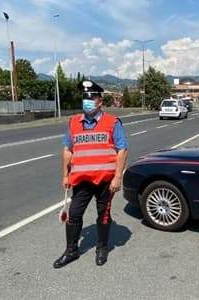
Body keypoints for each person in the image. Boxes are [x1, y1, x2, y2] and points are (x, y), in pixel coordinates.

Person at [53, 80, 128, 268]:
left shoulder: (112, 122)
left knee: (103, 215)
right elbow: (67, 150)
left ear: (100, 101)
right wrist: (65, 175)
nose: (87, 101)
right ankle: (71, 251)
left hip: (105, 181)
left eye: (92, 97)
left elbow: (122, 150)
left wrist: (118, 177)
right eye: (85, 97)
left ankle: (102, 248)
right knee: (74, 215)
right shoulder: (73, 122)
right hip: (82, 180)